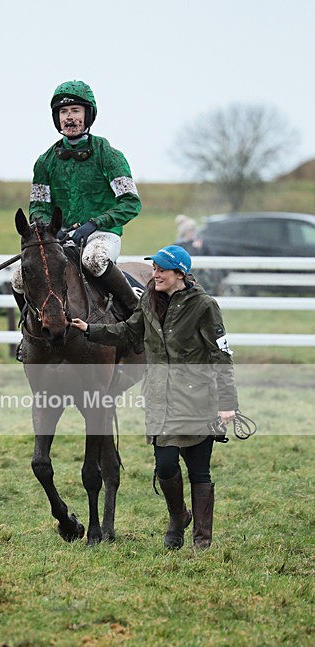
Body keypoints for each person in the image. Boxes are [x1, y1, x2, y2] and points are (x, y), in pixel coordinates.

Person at [71, 245, 238, 550]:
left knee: (199, 470)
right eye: (155, 268)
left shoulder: (204, 306)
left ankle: (202, 541)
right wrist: (89, 330)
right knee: (165, 465)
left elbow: (221, 355)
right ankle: (178, 518)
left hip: (197, 399)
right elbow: (128, 332)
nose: (156, 274)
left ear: (180, 274)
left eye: (162, 270)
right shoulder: (149, 300)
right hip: (159, 399)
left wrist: (228, 402)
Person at [12, 80, 142, 318]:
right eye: (63, 112)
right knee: (19, 278)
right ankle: (30, 331)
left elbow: (131, 203)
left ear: (88, 115)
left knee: (93, 259)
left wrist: (94, 223)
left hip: (102, 234)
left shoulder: (109, 156)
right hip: (59, 239)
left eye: (75, 111)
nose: (69, 118)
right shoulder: (44, 162)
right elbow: (38, 207)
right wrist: (52, 229)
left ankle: (137, 317)